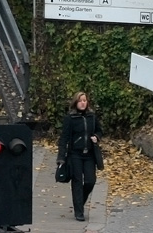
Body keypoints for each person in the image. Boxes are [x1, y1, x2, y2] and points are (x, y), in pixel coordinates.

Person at [57, 91, 103, 221]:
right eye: (80, 101)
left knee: (90, 181)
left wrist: (97, 137)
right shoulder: (70, 118)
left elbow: (99, 130)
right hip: (75, 154)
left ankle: (79, 201)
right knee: (77, 182)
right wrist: (61, 157)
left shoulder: (92, 116)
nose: (83, 103)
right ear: (75, 103)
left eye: (85, 100)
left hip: (89, 154)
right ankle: (79, 212)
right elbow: (64, 138)